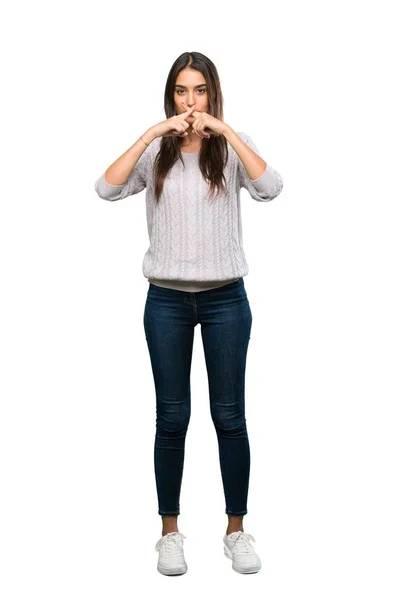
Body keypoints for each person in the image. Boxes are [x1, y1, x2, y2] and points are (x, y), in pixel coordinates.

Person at [94, 51, 283, 576]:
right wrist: (152, 132)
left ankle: (236, 529)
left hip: (226, 299)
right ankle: (169, 533)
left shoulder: (227, 151)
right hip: (166, 301)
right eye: (181, 91)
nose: (190, 101)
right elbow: (106, 188)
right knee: (172, 417)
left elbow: (271, 187)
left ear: (212, 94)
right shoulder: (157, 152)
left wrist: (226, 128)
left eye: (199, 91)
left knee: (230, 417)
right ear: (171, 96)